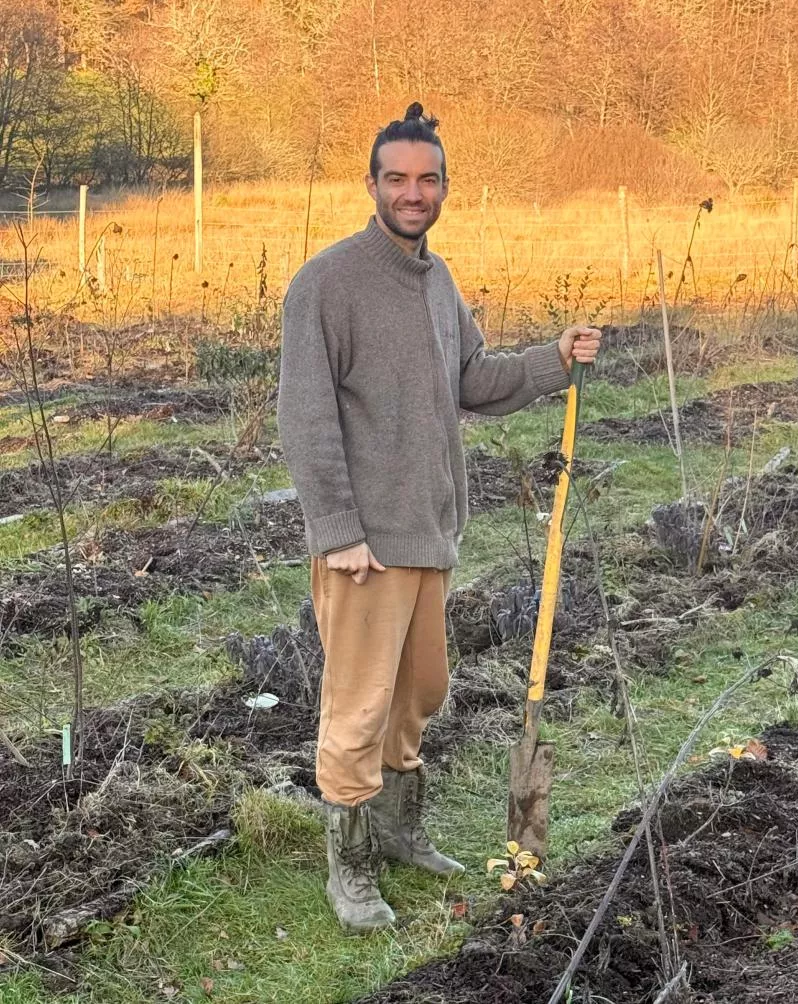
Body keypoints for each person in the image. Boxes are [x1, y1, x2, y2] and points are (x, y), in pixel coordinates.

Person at [278, 103, 601, 932]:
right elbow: (306, 418)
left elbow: (473, 380)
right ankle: (348, 870)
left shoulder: (440, 281)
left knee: (420, 691)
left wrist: (553, 361)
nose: (413, 193)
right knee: (356, 707)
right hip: (365, 545)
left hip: (429, 533)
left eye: (427, 179)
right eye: (398, 179)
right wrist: (338, 530)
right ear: (373, 185)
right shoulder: (328, 283)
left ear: (445, 187)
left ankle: (397, 830)